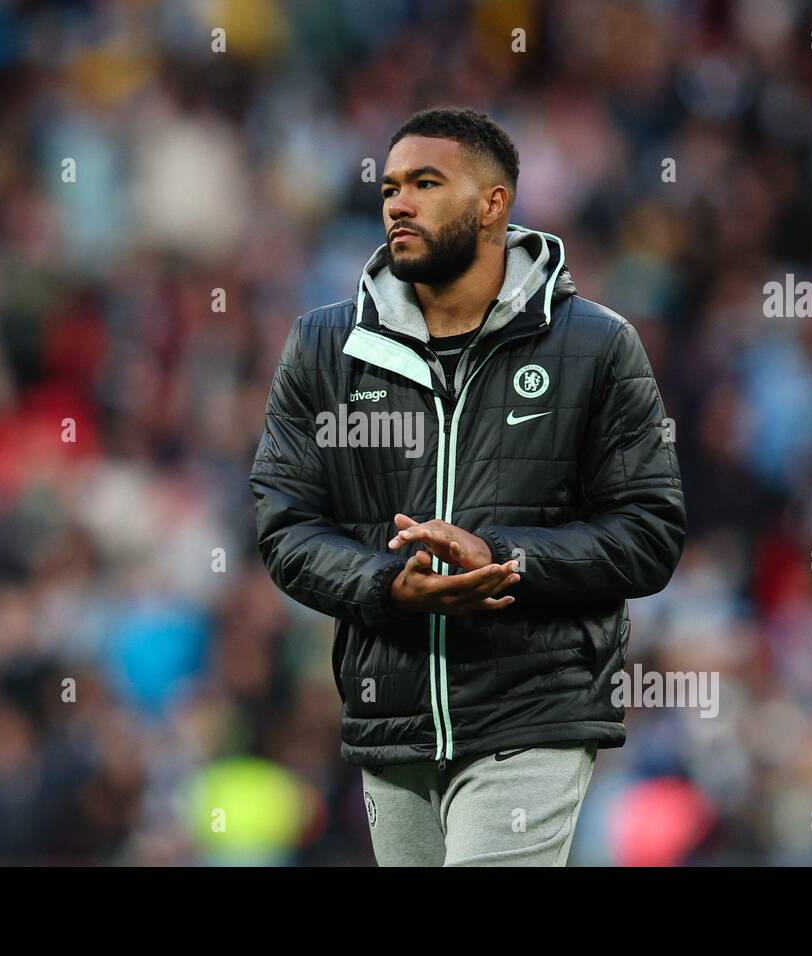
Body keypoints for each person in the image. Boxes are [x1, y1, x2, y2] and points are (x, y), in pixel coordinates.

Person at [250, 106, 686, 866]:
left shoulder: (596, 346)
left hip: (533, 712)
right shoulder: (324, 347)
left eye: (426, 182)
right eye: (390, 186)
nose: (398, 203)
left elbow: (648, 535)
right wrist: (388, 586)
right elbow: (284, 527)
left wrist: (504, 558)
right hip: (391, 718)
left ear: (494, 205)